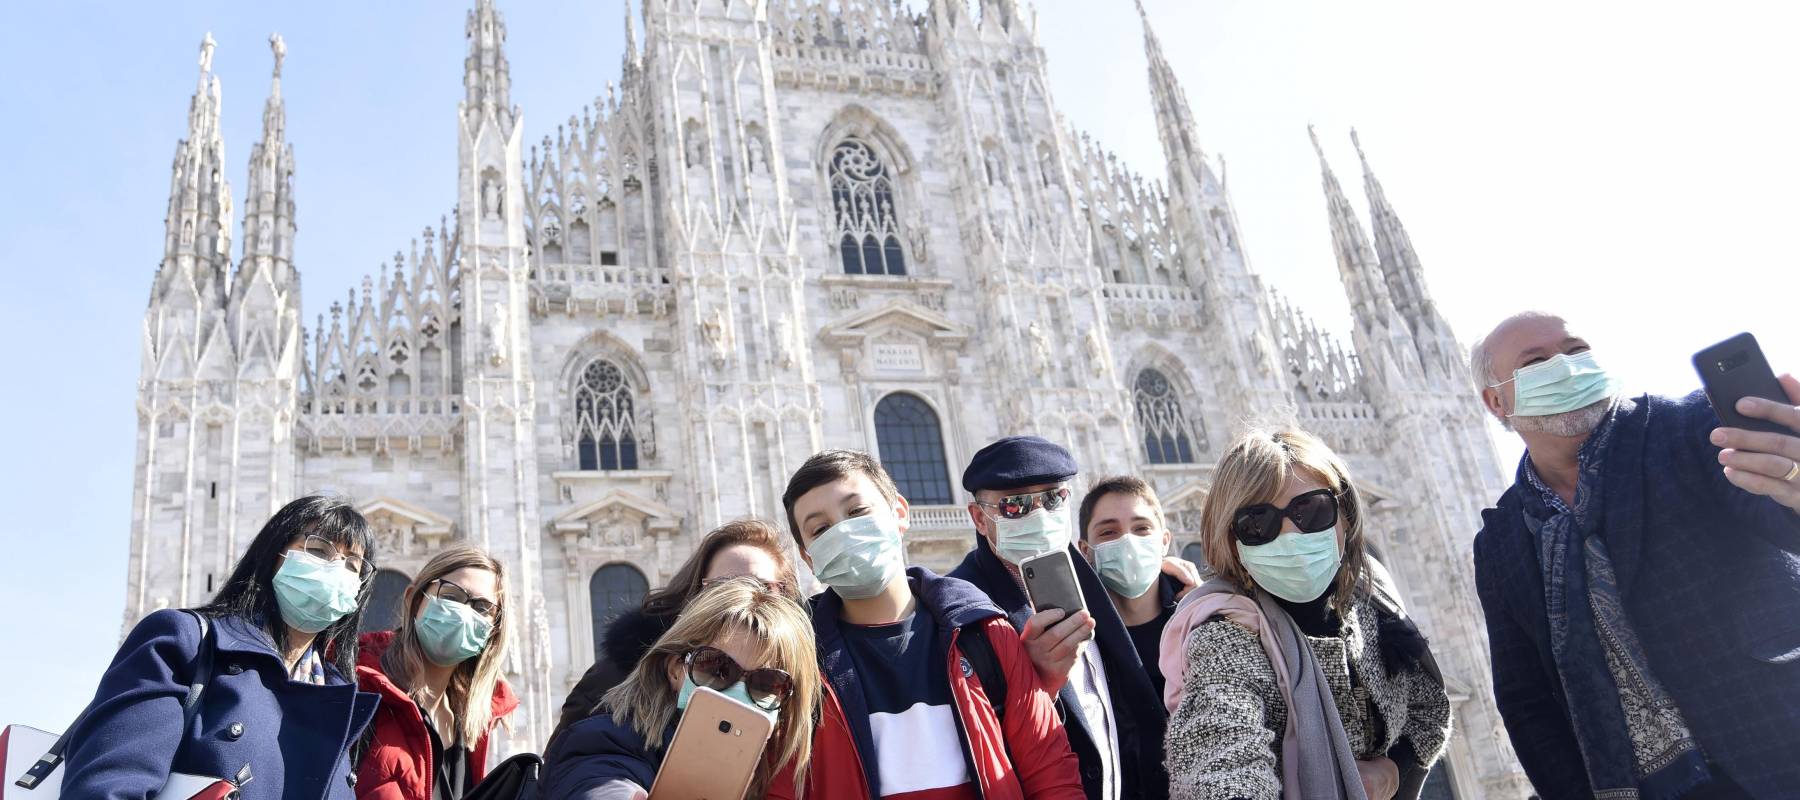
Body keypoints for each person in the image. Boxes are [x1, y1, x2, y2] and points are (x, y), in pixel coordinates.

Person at [1469, 312, 1800, 799]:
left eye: (1576, 351)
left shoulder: (1694, 427)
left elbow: (1780, 518)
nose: (1564, 367)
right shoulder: (1501, 538)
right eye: (1535, 362)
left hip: (1773, 743)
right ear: (1497, 401)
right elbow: (1526, 700)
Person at [772, 449, 1085, 799]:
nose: (844, 532)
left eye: (857, 511)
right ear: (807, 556)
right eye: (821, 529)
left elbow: (1051, 771)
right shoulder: (793, 666)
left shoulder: (984, 632)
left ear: (900, 514)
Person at [1161, 429, 1451, 800]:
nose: (1290, 535)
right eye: (1258, 524)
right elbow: (1220, 758)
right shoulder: (1226, 634)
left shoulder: (1370, 597)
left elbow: (1429, 709)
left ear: (1344, 515)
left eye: (1311, 510)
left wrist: (1391, 769)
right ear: (1232, 543)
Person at [59, 495, 382, 799]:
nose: (335, 570)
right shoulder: (185, 641)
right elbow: (109, 786)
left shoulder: (340, 695)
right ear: (274, 555)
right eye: (318, 551)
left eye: (353, 566)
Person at [950, 436, 1173, 800]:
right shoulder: (963, 606)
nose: (1039, 515)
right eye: (1015, 506)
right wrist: (1036, 684)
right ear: (979, 517)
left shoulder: (1087, 575)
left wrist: (1178, 583)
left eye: (1053, 498)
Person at [540, 578, 820, 800]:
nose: (738, 690)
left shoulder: (798, 773)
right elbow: (599, 780)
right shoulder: (607, 739)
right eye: (715, 667)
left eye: (767, 682)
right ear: (676, 669)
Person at [550, 519, 800, 746]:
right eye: (722, 586)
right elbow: (581, 761)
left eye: (760, 586)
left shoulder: (804, 686)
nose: (742, 597)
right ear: (693, 594)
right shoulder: (619, 678)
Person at [356, 545, 519, 800]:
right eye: (452, 597)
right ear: (414, 599)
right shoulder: (360, 690)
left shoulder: (474, 721)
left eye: (482, 608)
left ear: (495, 630)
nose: (465, 613)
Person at [1076, 476, 1186, 700]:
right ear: (1086, 551)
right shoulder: (1077, 640)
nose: (1128, 541)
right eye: (1108, 532)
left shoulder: (1199, 620)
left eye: (1142, 528)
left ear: (1165, 541)